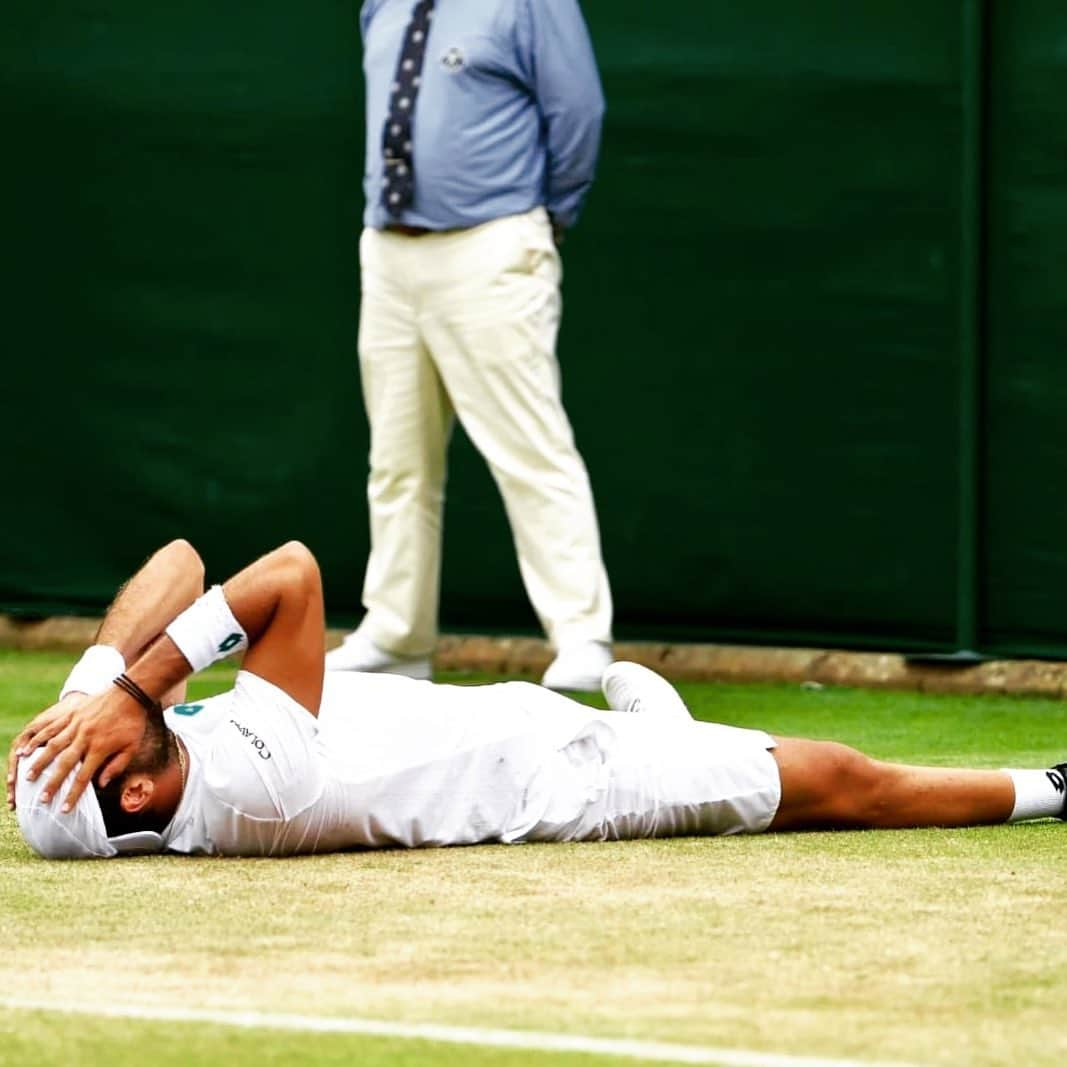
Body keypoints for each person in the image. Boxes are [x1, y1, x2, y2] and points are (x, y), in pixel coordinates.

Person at [7, 540, 1066, 860]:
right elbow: (286, 572)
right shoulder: (256, 785)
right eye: (91, 742)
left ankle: (665, 725)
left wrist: (96, 685)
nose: (89, 722)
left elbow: (179, 565)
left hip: (512, 712)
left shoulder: (133, 750)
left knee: (672, 732)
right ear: (141, 789)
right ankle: (1047, 785)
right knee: (838, 780)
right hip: (569, 782)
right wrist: (133, 683)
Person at [326, 0, 614, 692]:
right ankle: (397, 635)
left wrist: (545, 219)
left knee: (529, 448)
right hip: (388, 249)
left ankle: (581, 636)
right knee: (396, 459)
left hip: (491, 243)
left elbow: (578, 113)